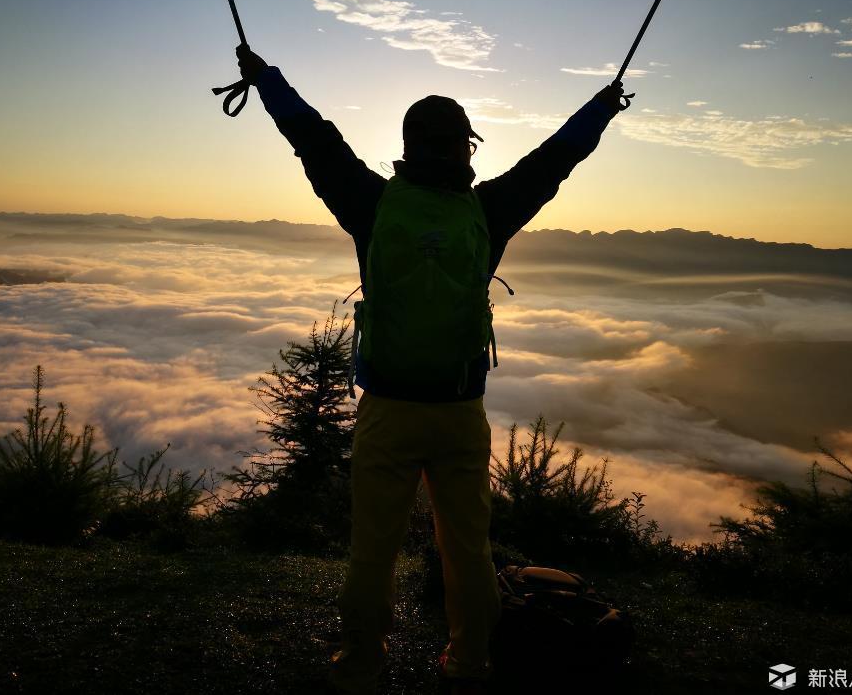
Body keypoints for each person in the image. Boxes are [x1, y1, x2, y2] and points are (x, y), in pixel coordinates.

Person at [234, 45, 631, 695]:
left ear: (408, 146)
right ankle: (467, 666)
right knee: (467, 551)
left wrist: (265, 79)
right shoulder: (487, 210)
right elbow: (554, 159)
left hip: (387, 410)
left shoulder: (369, 202)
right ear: (464, 149)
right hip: (457, 410)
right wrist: (602, 105)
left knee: (372, 553)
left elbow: (313, 139)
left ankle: (361, 668)